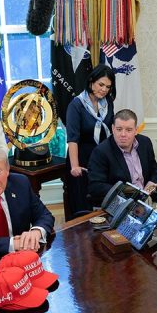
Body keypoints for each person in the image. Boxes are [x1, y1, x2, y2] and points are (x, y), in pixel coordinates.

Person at [65, 65, 116, 217]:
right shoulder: (76, 104)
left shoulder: (108, 102)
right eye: (101, 84)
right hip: (82, 157)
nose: (104, 89)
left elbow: (111, 128)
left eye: (108, 86)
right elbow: (73, 138)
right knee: (82, 203)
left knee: (104, 200)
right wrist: (75, 166)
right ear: (91, 81)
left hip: (103, 157)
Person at [87, 109, 157, 205]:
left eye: (129, 130)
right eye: (119, 129)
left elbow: (155, 171)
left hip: (148, 199)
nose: (123, 134)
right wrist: (130, 193)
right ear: (113, 129)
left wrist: (150, 187)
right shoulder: (101, 151)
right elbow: (95, 186)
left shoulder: (145, 143)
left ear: (136, 130)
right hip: (120, 204)